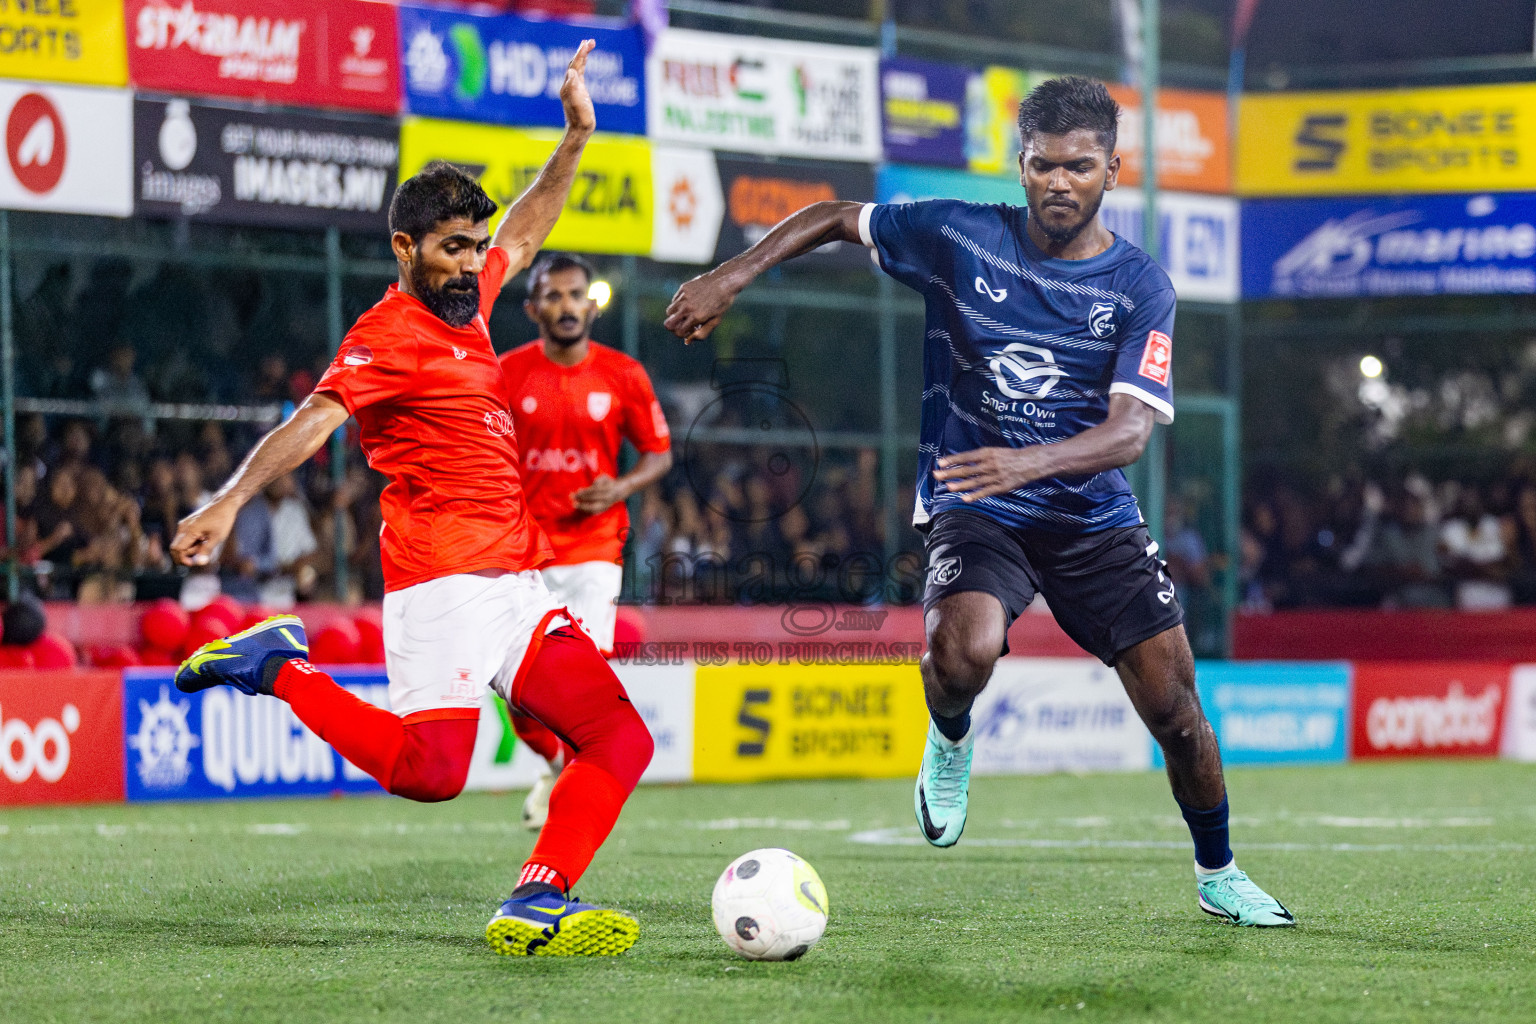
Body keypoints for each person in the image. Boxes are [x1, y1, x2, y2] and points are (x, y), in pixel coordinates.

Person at [665, 76, 1293, 927]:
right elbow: (833, 215)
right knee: (963, 653)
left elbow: (1129, 434)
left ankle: (1219, 874)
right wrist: (731, 275)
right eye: (1041, 166)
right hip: (975, 500)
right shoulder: (957, 234)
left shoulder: (1142, 287)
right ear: (1020, 164)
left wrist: (1028, 462)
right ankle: (950, 741)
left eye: (1079, 166)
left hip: (1091, 518)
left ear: (1115, 167)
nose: (1058, 183)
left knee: (1178, 716)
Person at [169, 41, 654, 957]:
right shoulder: (386, 334)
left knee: (619, 741)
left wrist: (577, 138)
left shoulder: (471, 304)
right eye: (453, 248)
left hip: (515, 583)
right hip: (437, 577)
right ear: (405, 248)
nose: (475, 263)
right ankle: (278, 667)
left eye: (476, 247)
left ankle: (535, 898)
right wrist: (228, 502)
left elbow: (528, 227)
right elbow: (311, 423)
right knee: (432, 776)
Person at [498, 253, 673, 830]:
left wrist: (620, 485)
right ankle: (553, 765)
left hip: (595, 548)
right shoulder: (506, 373)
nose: (566, 306)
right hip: (521, 552)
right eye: (553, 296)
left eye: (576, 295)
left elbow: (659, 452)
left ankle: (573, 808)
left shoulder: (623, 374)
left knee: (581, 682)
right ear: (532, 308)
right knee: (517, 693)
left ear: (591, 304)